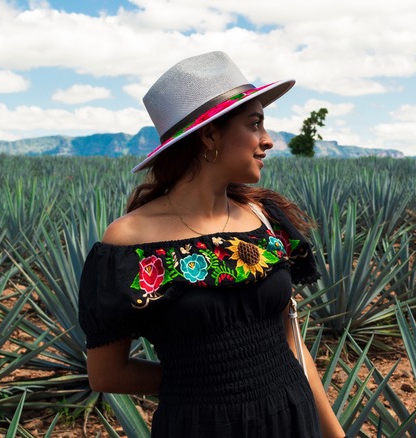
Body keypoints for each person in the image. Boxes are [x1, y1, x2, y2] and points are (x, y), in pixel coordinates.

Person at [78, 51, 345, 437]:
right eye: (254, 124)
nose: (267, 140)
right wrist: (203, 381)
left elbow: (292, 343)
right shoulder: (130, 243)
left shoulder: (265, 218)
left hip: (291, 416)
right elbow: (106, 374)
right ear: (209, 135)